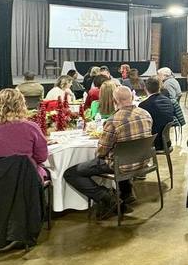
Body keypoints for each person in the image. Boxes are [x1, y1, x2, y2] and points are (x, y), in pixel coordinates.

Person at [65, 86, 153, 218]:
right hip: (142, 160)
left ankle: (107, 197)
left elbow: (101, 151)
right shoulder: (146, 114)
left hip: (121, 165)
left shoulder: (113, 121)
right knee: (121, 153)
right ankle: (126, 192)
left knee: (71, 173)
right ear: (133, 98)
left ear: (114, 101)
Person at [138, 78, 180, 151]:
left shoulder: (144, 105)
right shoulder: (168, 100)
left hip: (153, 143)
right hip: (166, 142)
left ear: (145, 89)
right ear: (159, 87)